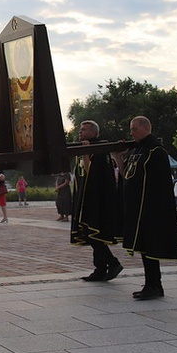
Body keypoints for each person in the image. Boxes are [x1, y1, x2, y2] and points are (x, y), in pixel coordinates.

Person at [116, 116, 177, 300]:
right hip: (138, 208)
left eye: (134, 129)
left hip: (151, 208)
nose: (131, 132)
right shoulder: (139, 150)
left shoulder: (156, 151)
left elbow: (159, 185)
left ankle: (155, 285)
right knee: (144, 248)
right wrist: (118, 157)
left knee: (152, 246)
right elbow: (127, 176)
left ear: (145, 128)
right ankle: (150, 284)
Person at [70, 120, 123, 282]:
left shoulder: (99, 150)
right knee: (89, 233)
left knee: (93, 233)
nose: (80, 132)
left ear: (93, 132)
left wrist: (86, 153)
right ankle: (100, 269)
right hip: (85, 198)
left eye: (84, 129)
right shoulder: (85, 147)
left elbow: (91, 172)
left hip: (96, 199)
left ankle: (113, 263)